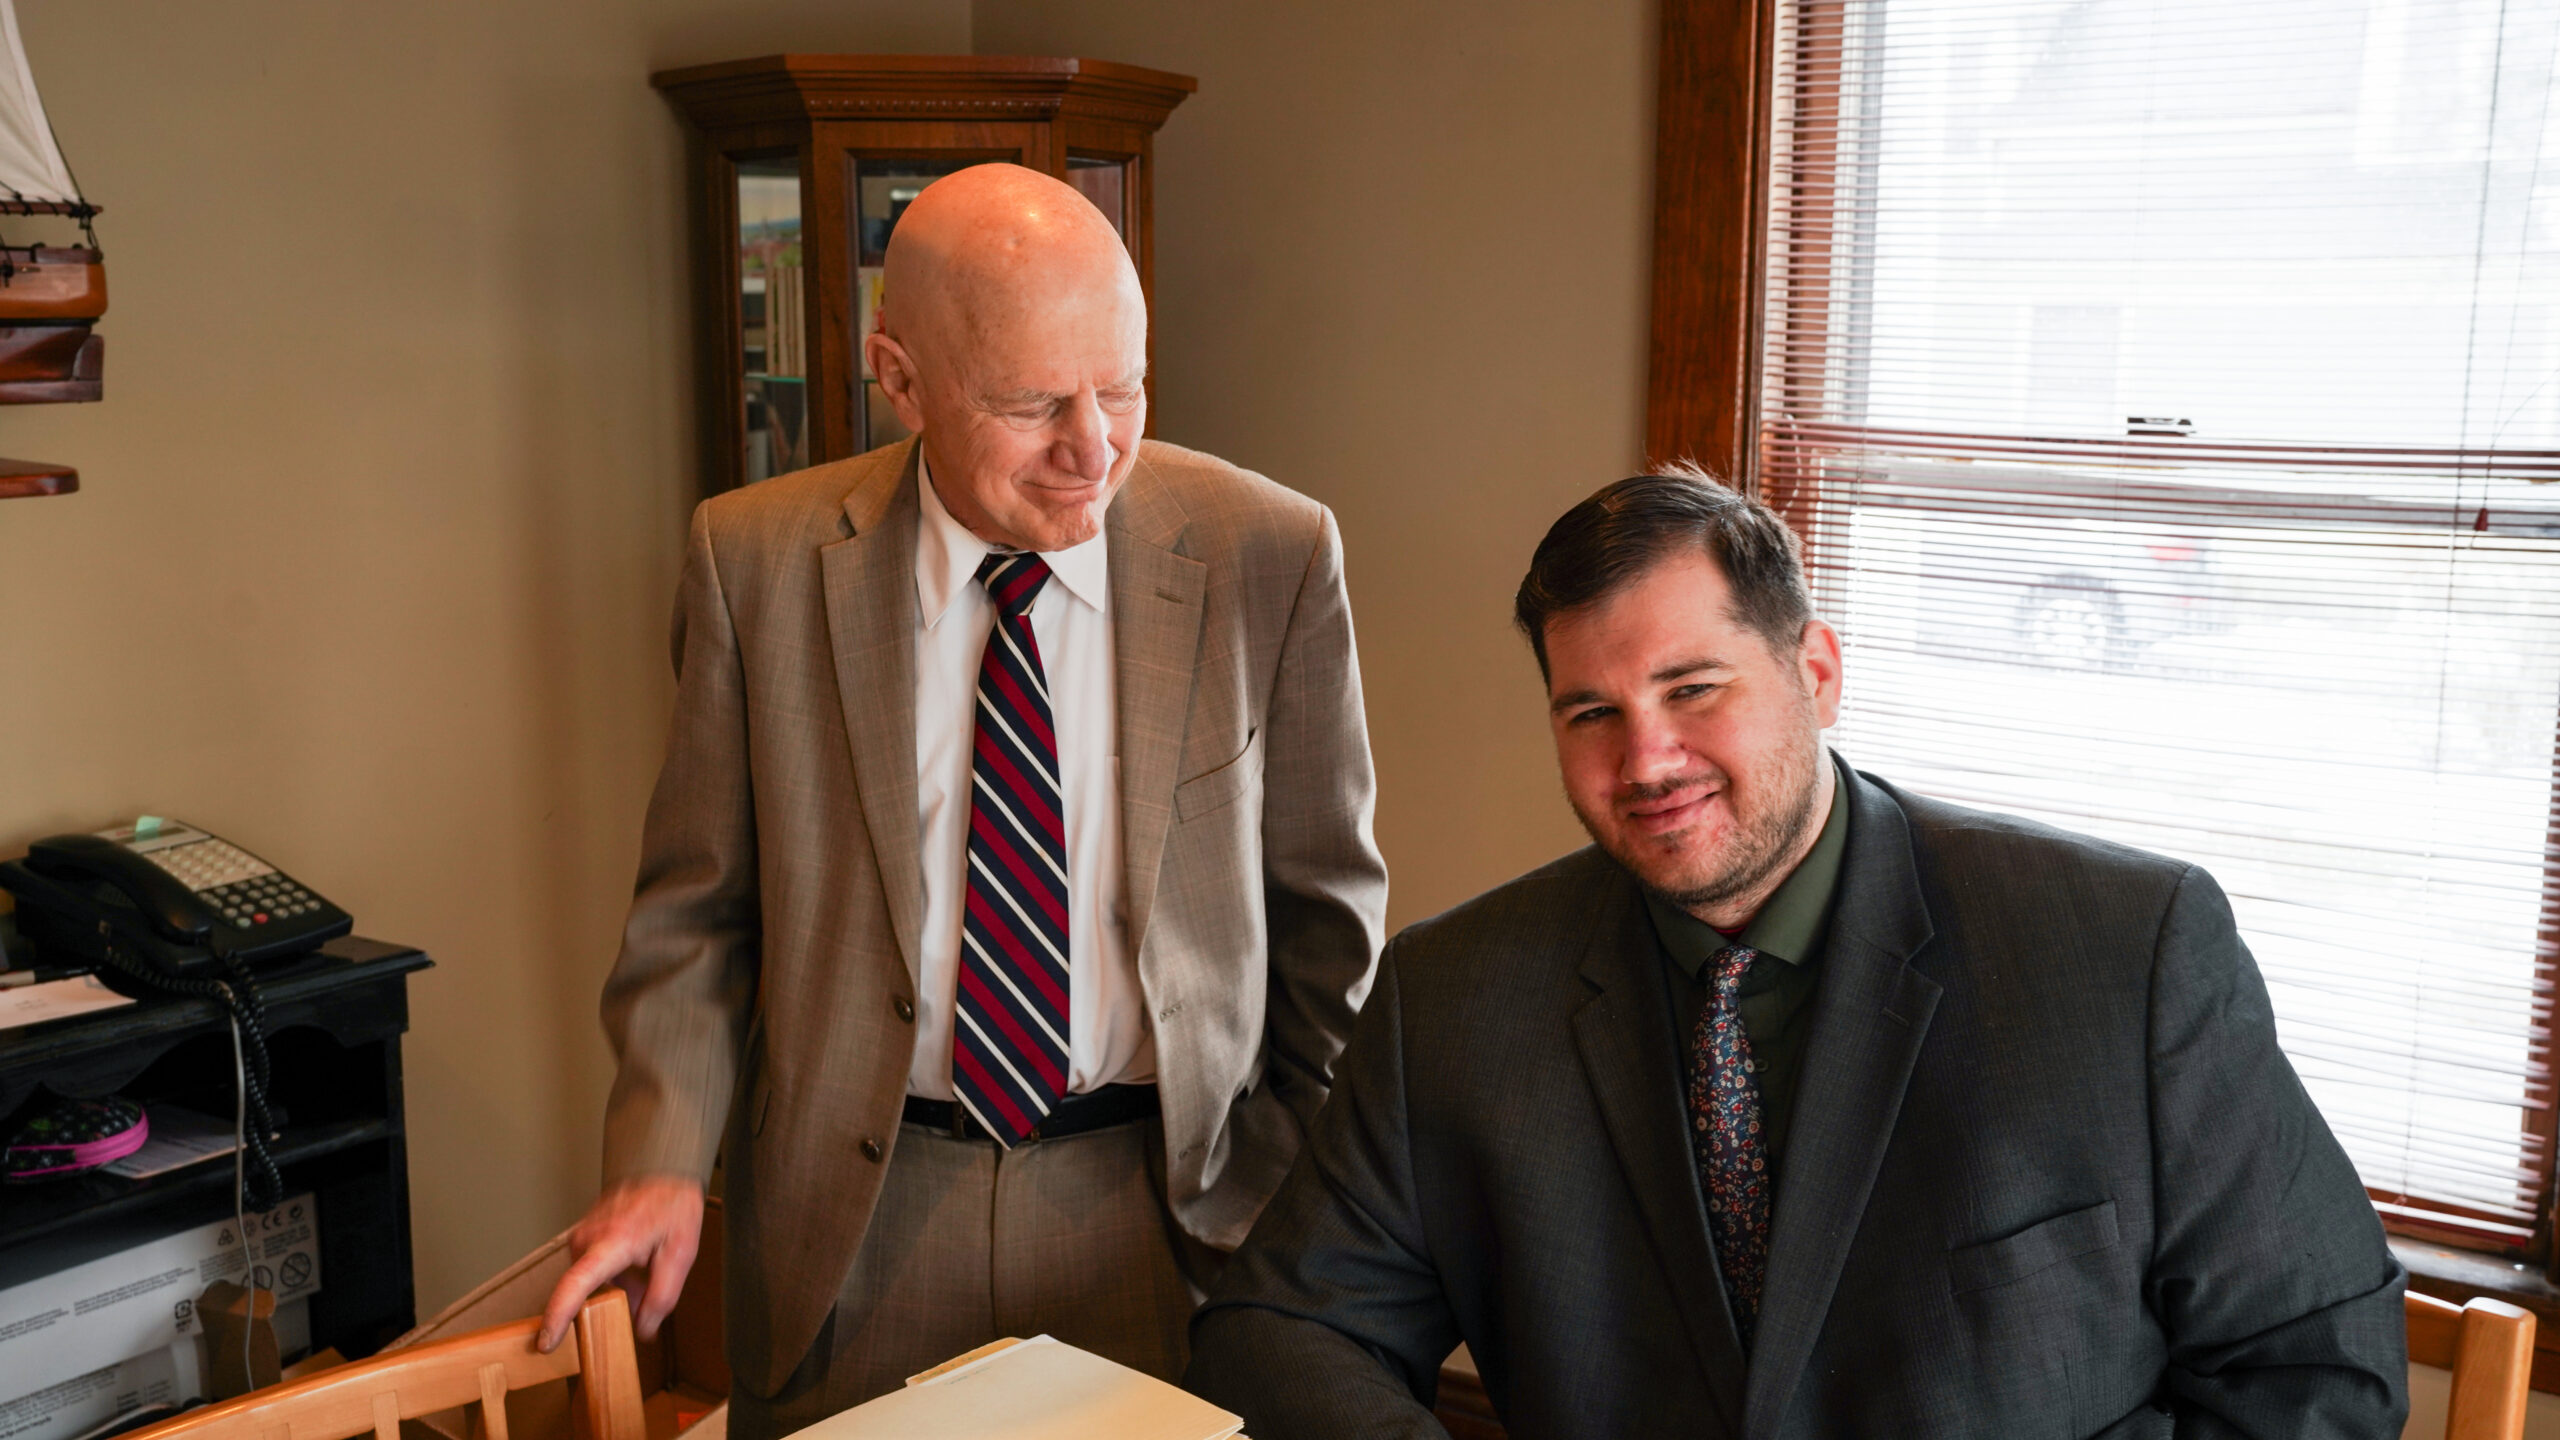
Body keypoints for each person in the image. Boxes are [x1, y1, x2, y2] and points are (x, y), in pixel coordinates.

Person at [1186, 469, 2406, 1439]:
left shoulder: (2121, 952)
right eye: (1591, 713)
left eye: (1693, 688)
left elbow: (2314, 1367)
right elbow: (1285, 1331)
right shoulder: (1453, 997)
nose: (1646, 759)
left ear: (1813, 673)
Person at [536, 163, 1388, 1439]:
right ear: (899, 378)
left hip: (1173, 1212)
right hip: (859, 1223)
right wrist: (661, 1154)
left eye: (1122, 388)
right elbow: (696, 916)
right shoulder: (754, 564)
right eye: (1033, 403)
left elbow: (1329, 919)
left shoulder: (1268, 551)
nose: (1091, 450)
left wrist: (1302, 1203)